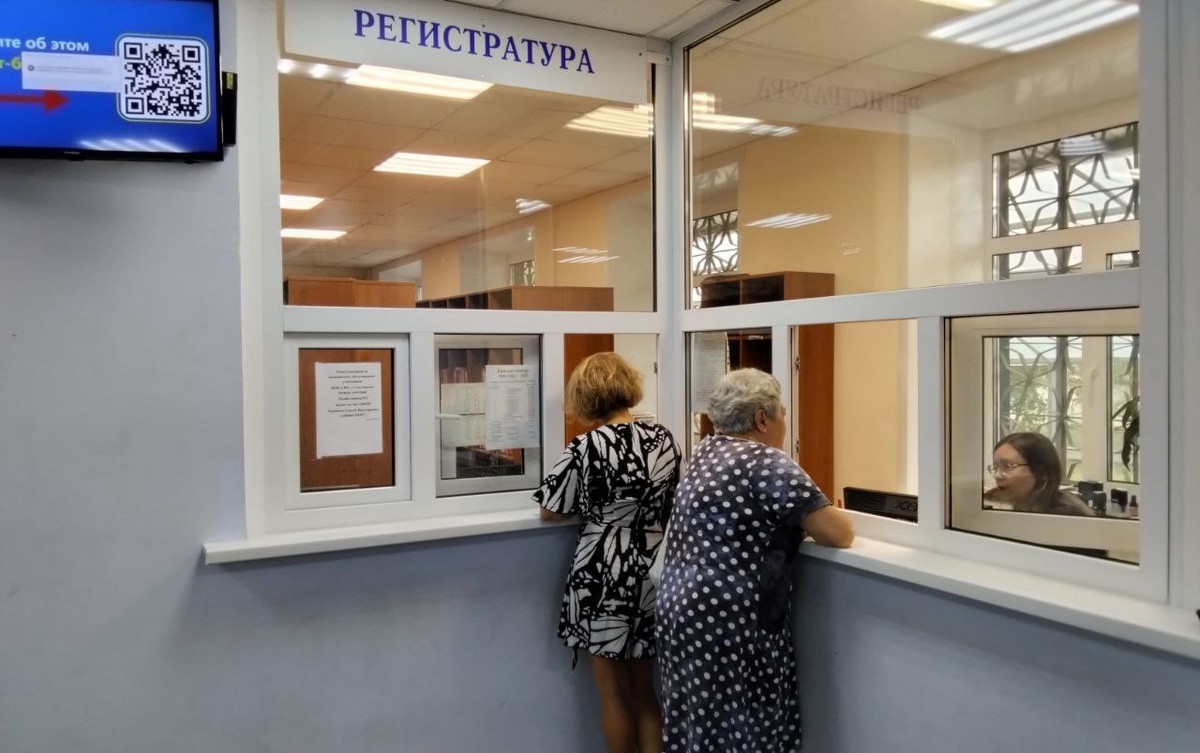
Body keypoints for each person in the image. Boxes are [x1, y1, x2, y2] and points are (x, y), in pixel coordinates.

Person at [656, 368, 854, 753]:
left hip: (681, 614)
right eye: (782, 414)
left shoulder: (706, 453)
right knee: (744, 731)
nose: (784, 425)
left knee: (699, 730)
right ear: (762, 418)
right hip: (731, 625)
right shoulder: (765, 462)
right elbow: (838, 533)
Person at [534, 352, 683, 753]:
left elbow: (551, 509)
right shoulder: (663, 438)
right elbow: (673, 501)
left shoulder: (586, 447)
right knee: (645, 691)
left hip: (604, 569)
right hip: (653, 565)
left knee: (613, 693)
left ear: (586, 396)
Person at [984, 431, 1094, 516]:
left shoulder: (1064, 517)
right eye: (996, 467)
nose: (997, 475)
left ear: (1041, 472)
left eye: (1008, 466)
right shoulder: (1024, 508)